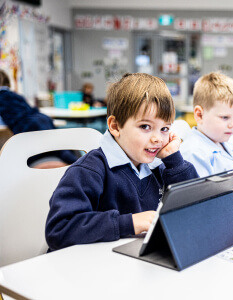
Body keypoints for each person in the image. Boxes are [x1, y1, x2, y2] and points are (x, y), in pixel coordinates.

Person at [45, 73, 198, 251]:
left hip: (133, 264)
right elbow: (59, 229)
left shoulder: (158, 165)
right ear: (116, 126)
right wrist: (129, 223)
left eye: (164, 129)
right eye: (145, 127)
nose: (157, 138)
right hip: (88, 269)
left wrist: (174, 159)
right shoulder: (90, 170)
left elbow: (196, 204)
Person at [180, 72, 233, 194]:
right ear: (199, 115)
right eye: (225, 117)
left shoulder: (231, 147)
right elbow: (202, 195)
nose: (232, 124)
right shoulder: (193, 153)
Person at [0, 69, 78, 167]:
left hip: (28, 124)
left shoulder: (1, 97)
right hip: (40, 117)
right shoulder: (14, 95)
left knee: (42, 149)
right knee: (57, 145)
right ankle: (75, 161)